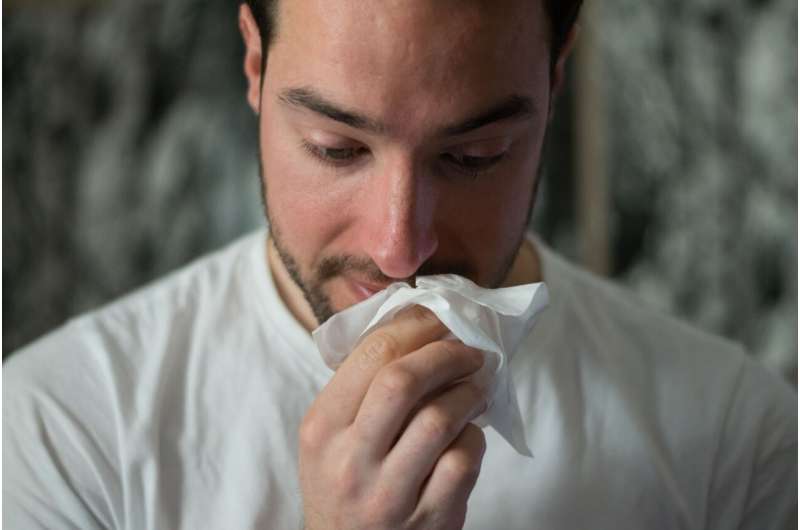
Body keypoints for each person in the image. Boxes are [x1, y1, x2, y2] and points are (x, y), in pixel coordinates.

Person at [4, 0, 796, 528]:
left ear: (554, 83)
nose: (399, 247)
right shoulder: (63, 435)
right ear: (254, 63)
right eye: (337, 149)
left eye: (474, 155)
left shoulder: (735, 443)